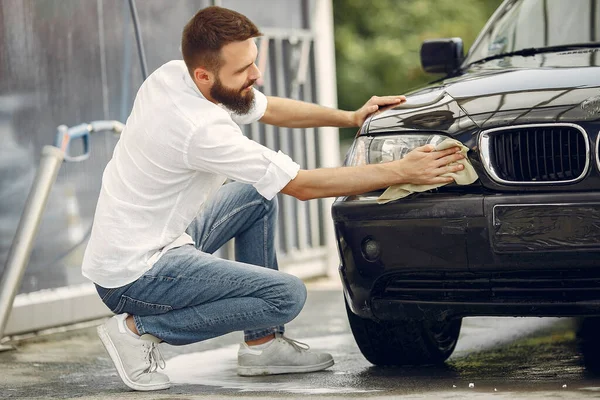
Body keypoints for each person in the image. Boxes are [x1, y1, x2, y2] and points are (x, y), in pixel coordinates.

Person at [82, 5, 465, 392]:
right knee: (286, 295)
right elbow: (301, 185)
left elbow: (266, 107)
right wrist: (400, 171)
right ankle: (135, 331)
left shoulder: (174, 74)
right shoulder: (200, 129)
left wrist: (350, 117)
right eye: (243, 70)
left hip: (146, 242)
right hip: (135, 274)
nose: (256, 75)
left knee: (254, 194)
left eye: (253, 61)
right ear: (204, 74)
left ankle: (262, 346)